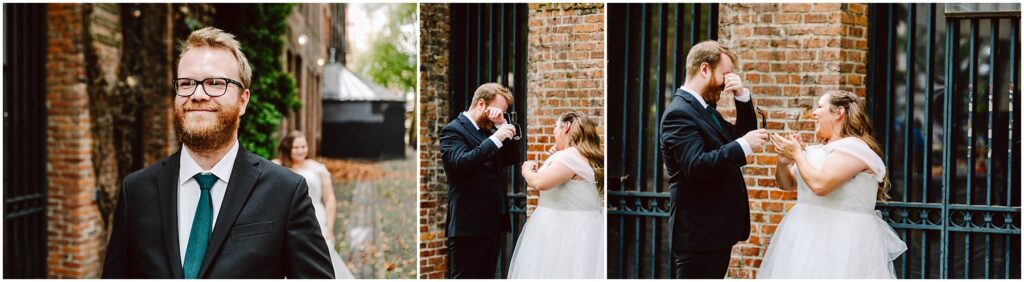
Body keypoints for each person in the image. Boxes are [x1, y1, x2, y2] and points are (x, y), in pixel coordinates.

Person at [101, 27, 334, 278]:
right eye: (187, 83)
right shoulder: (135, 191)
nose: (198, 94)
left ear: (243, 100)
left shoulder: (286, 192)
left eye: (215, 83)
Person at [758, 90, 907, 278]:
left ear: (839, 113)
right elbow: (787, 184)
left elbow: (821, 185)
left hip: (842, 238)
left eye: (819, 107)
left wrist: (797, 154)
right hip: (805, 234)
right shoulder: (819, 149)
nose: (814, 113)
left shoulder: (856, 149)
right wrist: (783, 161)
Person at [658, 40, 769, 278]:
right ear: (705, 69)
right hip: (698, 235)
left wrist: (741, 96)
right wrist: (744, 144)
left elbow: (737, 137)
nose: (726, 82)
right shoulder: (679, 113)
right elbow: (696, 166)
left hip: (714, 232)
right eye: (725, 74)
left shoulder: (704, 109)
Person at [507, 112, 606, 279]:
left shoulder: (568, 157)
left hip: (561, 230)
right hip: (585, 228)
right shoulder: (587, 156)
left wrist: (525, 169)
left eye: (555, 126)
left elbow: (540, 183)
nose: (553, 131)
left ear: (566, 127)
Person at [439, 82, 521, 279]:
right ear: (482, 104)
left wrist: (502, 125)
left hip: (492, 224)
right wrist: (495, 139)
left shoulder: (490, 130)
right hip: (468, 227)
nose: (499, 116)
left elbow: (512, 158)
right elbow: (461, 163)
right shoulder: (453, 131)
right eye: (498, 111)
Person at [272, 131, 356, 279]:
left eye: (303, 146)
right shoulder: (276, 167)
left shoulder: (318, 168)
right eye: (296, 147)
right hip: (285, 217)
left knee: (319, 257)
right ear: (288, 148)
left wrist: (329, 228)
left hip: (316, 217)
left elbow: (330, 199)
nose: (300, 151)